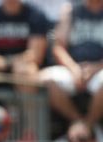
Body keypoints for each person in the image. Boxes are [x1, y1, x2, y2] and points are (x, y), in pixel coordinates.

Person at [39, 0, 103, 129]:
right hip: (72, 67)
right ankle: (78, 125)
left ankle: (88, 128)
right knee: (45, 79)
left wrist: (96, 68)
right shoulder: (71, 10)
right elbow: (58, 47)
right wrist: (74, 69)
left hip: (99, 68)